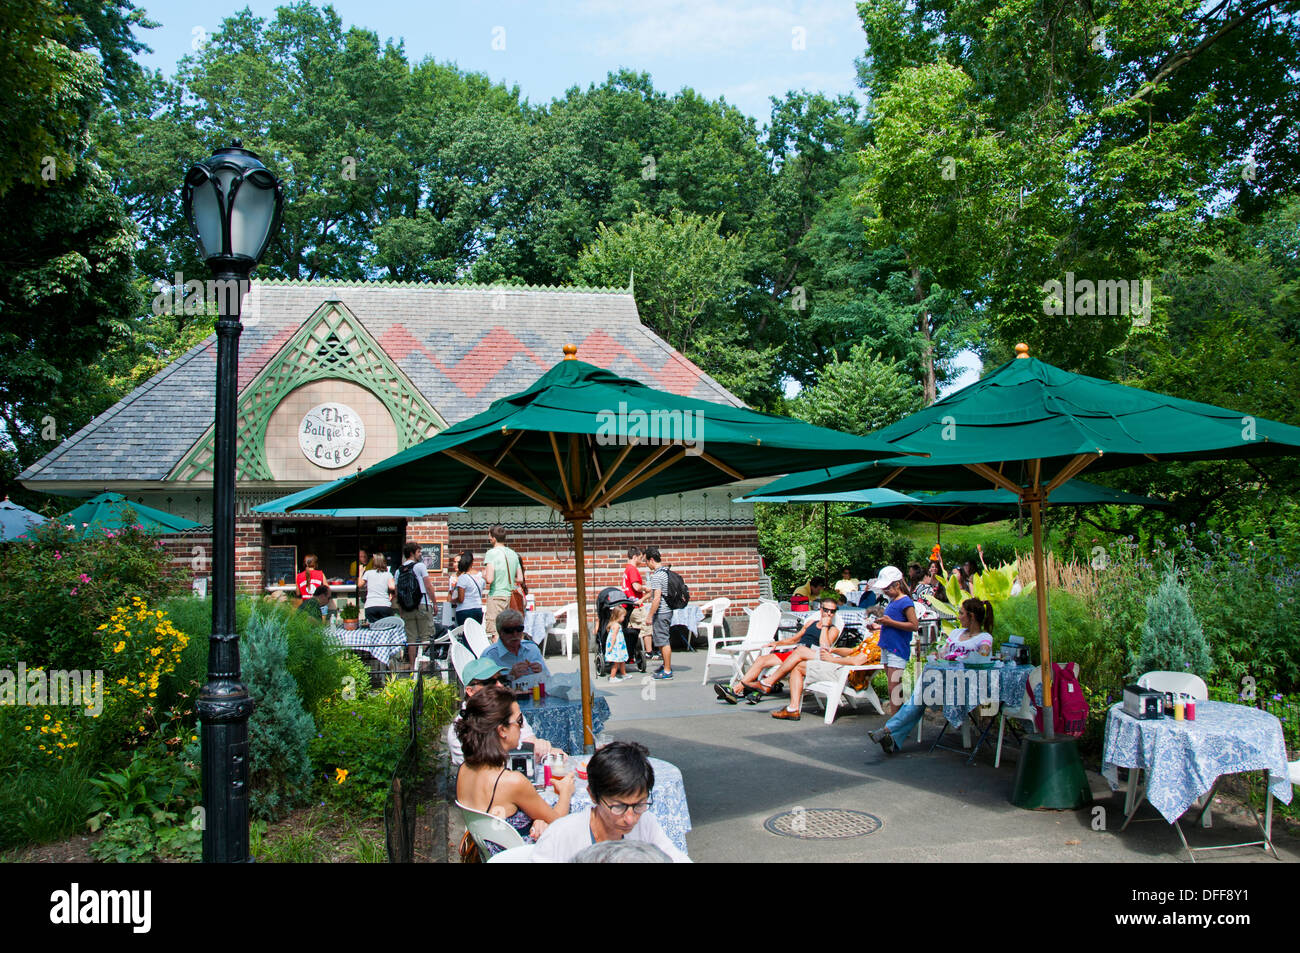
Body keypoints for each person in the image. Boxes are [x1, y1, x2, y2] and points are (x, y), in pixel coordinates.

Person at [456, 686, 573, 857]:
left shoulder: (464, 770)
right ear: (502, 730)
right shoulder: (511, 782)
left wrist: (538, 818)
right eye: (519, 721)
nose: (522, 726)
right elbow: (557, 821)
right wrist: (566, 792)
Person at [868, 598, 994, 754]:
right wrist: (938, 653)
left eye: (961, 613)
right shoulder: (956, 632)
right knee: (918, 699)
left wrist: (969, 655)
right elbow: (944, 651)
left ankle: (887, 730)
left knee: (918, 700)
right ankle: (891, 738)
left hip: (963, 685)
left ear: (972, 616)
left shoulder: (984, 638)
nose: (959, 616)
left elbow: (984, 653)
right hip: (940, 679)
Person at [531, 741, 690, 863]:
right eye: (618, 807)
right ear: (593, 795)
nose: (630, 818)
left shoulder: (646, 824)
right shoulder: (560, 835)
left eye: (639, 805)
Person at [715, 598, 840, 712]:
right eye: (826, 610)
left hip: (811, 657)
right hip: (795, 652)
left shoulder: (833, 629)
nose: (829, 614)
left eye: (832, 611)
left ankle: (743, 689)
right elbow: (793, 640)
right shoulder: (810, 623)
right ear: (821, 609)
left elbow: (825, 647)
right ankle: (742, 689)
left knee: (799, 651)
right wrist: (777, 643)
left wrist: (825, 626)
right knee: (762, 660)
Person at [447, 658, 552, 766]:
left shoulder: (510, 709)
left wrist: (543, 747)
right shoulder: (459, 729)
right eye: (489, 682)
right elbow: (478, 772)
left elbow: (530, 741)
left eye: (501, 679)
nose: (499, 685)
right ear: (470, 691)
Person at [764, 628, 882, 721]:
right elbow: (852, 651)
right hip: (843, 668)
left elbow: (856, 661)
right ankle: (776, 689)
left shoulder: (878, 640)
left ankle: (791, 706)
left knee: (798, 666)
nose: (868, 624)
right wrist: (833, 650)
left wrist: (831, 659)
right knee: (800, 656)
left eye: (874, 622)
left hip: (847, 675)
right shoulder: (873, 638)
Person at [867, 566, 918, 715]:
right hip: (887, 646)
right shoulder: (893, 601)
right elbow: (891, 622)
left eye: (887, 588)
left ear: (897, 585)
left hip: (897, 648)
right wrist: (878, 625)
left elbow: (914, 625)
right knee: (893, 688)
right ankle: (897, 721)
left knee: (894, 688)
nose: (885, 592)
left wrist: (890, 623)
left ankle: (896, 726)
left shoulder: (905, 602)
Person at [482, 608, 551, 692]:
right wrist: (510, 677)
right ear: (500, 632)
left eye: (519, 629)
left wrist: (541, 673)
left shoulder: (532, 649)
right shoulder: (490, 656)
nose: (515, 634)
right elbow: (484, 690)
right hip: (504, 701)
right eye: (509, 630)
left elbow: (549, 680)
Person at [396, 542, 435, 665]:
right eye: (418, 552)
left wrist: (401, 608)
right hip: (422, 604)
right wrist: (434, 602)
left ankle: (413, 666)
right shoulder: (420, 567)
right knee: (425, 637)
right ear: (412, 553)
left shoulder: (399, 571)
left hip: (407, 607)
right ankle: (423, 666)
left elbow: (397, 593)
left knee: (411, 638)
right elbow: (428, 586)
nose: (420, 555)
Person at [483, 524, 524, 640]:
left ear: (494, 538)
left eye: (490, 536)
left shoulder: (491, 553)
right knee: (510, 632)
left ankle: (497, 658)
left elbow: (490, 579)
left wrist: (484, 575)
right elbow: (520, 578)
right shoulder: (513, 553)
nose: (489, 539)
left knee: (496, 633)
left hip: (496, 596)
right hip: (510, 597)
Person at [644, 547, 674, 680]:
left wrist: (650, 615)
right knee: (662, 640)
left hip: (661, 612)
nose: (646, 564)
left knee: (663, 641)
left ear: (651, 560)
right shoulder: (666, 571)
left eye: (646, 561)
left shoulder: (657, 575)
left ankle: (667, 671)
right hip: (667, 611)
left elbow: (656, 598)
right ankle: (665, 665)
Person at [622, 546, 650, 656]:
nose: (642, 561)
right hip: (636, 605)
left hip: (628, 605)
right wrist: (646, 588)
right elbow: (636, 586)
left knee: (631, 630)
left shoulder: (627, 569)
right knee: (646, 628)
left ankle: (630, 651)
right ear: (634, 557)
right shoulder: (632, 569)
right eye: (640, 558)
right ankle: (649, 652)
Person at [448, 550, 486, 626]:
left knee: (465, 635)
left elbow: (461, 599)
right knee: (475, 634)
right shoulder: (480, 576)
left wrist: (453, 600)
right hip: (478, 609)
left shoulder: (463, 578)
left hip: (465, 610)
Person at [360, 553, 395, 625]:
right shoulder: (388, 574)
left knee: (373, 628)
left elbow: (360, 585)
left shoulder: (368, 573)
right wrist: (392, 594)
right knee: (386, 628)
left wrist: (360, 572)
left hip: (370, 605)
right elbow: (392, 587)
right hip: (385, 605)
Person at [605, 603, 629, 682]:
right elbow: (614, 637)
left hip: (619, 645)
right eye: (623, 616)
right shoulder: (617, 626)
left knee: (622, 660)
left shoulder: (614, 624)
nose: (624, 618)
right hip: (616, 646)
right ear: (618, 616)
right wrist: (611, 646)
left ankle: (623, 673)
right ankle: (612, 677)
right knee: (616, 662)